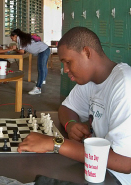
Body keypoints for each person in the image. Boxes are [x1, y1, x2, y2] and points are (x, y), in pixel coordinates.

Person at [17, 27, 131, 184]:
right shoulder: (90, 81)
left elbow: (125, 162)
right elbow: (66, 108)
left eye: (68, 62)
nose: (66, 70)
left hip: (116, 177)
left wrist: (54, 143)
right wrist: (71, 125)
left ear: (87, 53)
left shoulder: (124, 85)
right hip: (93, 169)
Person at [10, 29, 50, 95]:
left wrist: (15, 49)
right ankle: (42, 80)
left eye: (12, 38)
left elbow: (22, 51)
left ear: (15, 36)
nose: (12, 40)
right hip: (45, 49)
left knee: (41, 69)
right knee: (43, 67)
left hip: (42, 51)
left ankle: (38, 88)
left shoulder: (20, 39)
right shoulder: (24, 38)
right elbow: (25, 49)